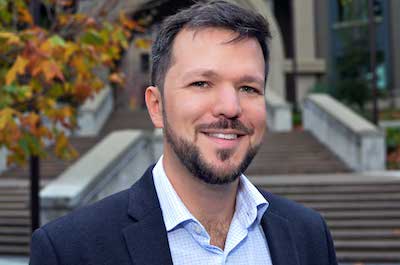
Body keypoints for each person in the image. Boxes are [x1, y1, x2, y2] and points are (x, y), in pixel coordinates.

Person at [30, 1, 338, 264]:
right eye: (202, 83)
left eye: (248, 87)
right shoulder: (70, 250)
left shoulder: (309, 236)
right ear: (156, 105)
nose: (230, 107)